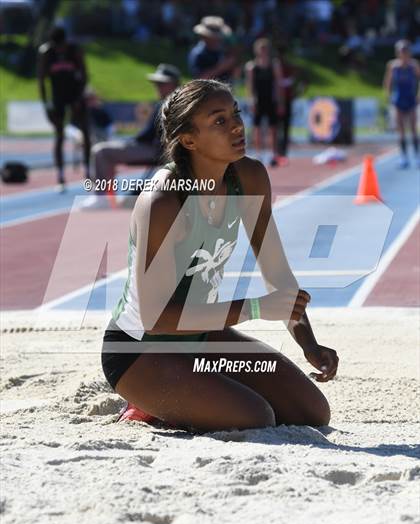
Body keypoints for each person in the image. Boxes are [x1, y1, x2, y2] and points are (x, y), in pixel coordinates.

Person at [101, 79, 338, 433]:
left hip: (200, 338)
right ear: (189, 139)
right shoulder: (164, 201)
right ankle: (147, 402)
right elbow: (155, 318)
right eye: (219, 121)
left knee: (312, 412)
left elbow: (278, 275)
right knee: (255, 417)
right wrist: (255, 308)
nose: (237, 126)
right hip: (140, 350)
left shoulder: (250, 177)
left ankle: (191, 390)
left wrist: (309, 343)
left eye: (235, 113)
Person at [80, 63, 180, 209]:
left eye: (162, 83)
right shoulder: (168, 102)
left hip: (156, 150)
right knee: (106, 152)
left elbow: (153, 135)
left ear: (173, 83)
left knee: (101, 152)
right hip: (154, 147)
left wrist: (133, 141)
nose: (158, 86)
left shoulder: (170, 103)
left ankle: (102, 198)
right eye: (157, 83)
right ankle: (109, 197)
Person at [38, 25, 90, 189]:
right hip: (58, 97)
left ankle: (88, 170)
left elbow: (85, 75)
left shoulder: (75, 50)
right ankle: (60, 175)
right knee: (59, 135)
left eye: (62, 46)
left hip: (75, 94)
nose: (60, 49)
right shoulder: (46, 53)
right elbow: (41, 81)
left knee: (85, 132)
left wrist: (79, 97)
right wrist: (46, 105)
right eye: (56, 46)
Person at [245, 38, 283, 167]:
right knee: (257, 128)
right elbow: (250, 86)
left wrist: (280, 101)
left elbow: (278, 84)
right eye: (261, 49)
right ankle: (258, 154)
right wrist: (251, 101)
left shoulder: (274, 65)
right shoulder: (251, 67)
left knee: (273, 128)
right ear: (256, 51)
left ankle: (273, 154)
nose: (263, 52)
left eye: (265, 49)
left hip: (271, 100)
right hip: (258, 100)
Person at [383, 39, 420, 169]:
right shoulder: (393, 66)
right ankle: (404, 157)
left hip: (411, 99)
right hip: (398, 100)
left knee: (413, 129)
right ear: (397, 53)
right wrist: (388, 97)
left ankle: (417, 155)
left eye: (405, 51)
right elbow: (388, 83)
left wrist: (418, 94)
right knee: (401, 131)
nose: (403, 54)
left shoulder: (414, 65)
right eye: (401, 52)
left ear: (409, 53)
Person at [188, 16, 237, 83]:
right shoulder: (198, 53)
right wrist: (221, 67)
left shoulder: (223, 50)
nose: (217, 39)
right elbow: (199, 78)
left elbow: (233, 76)